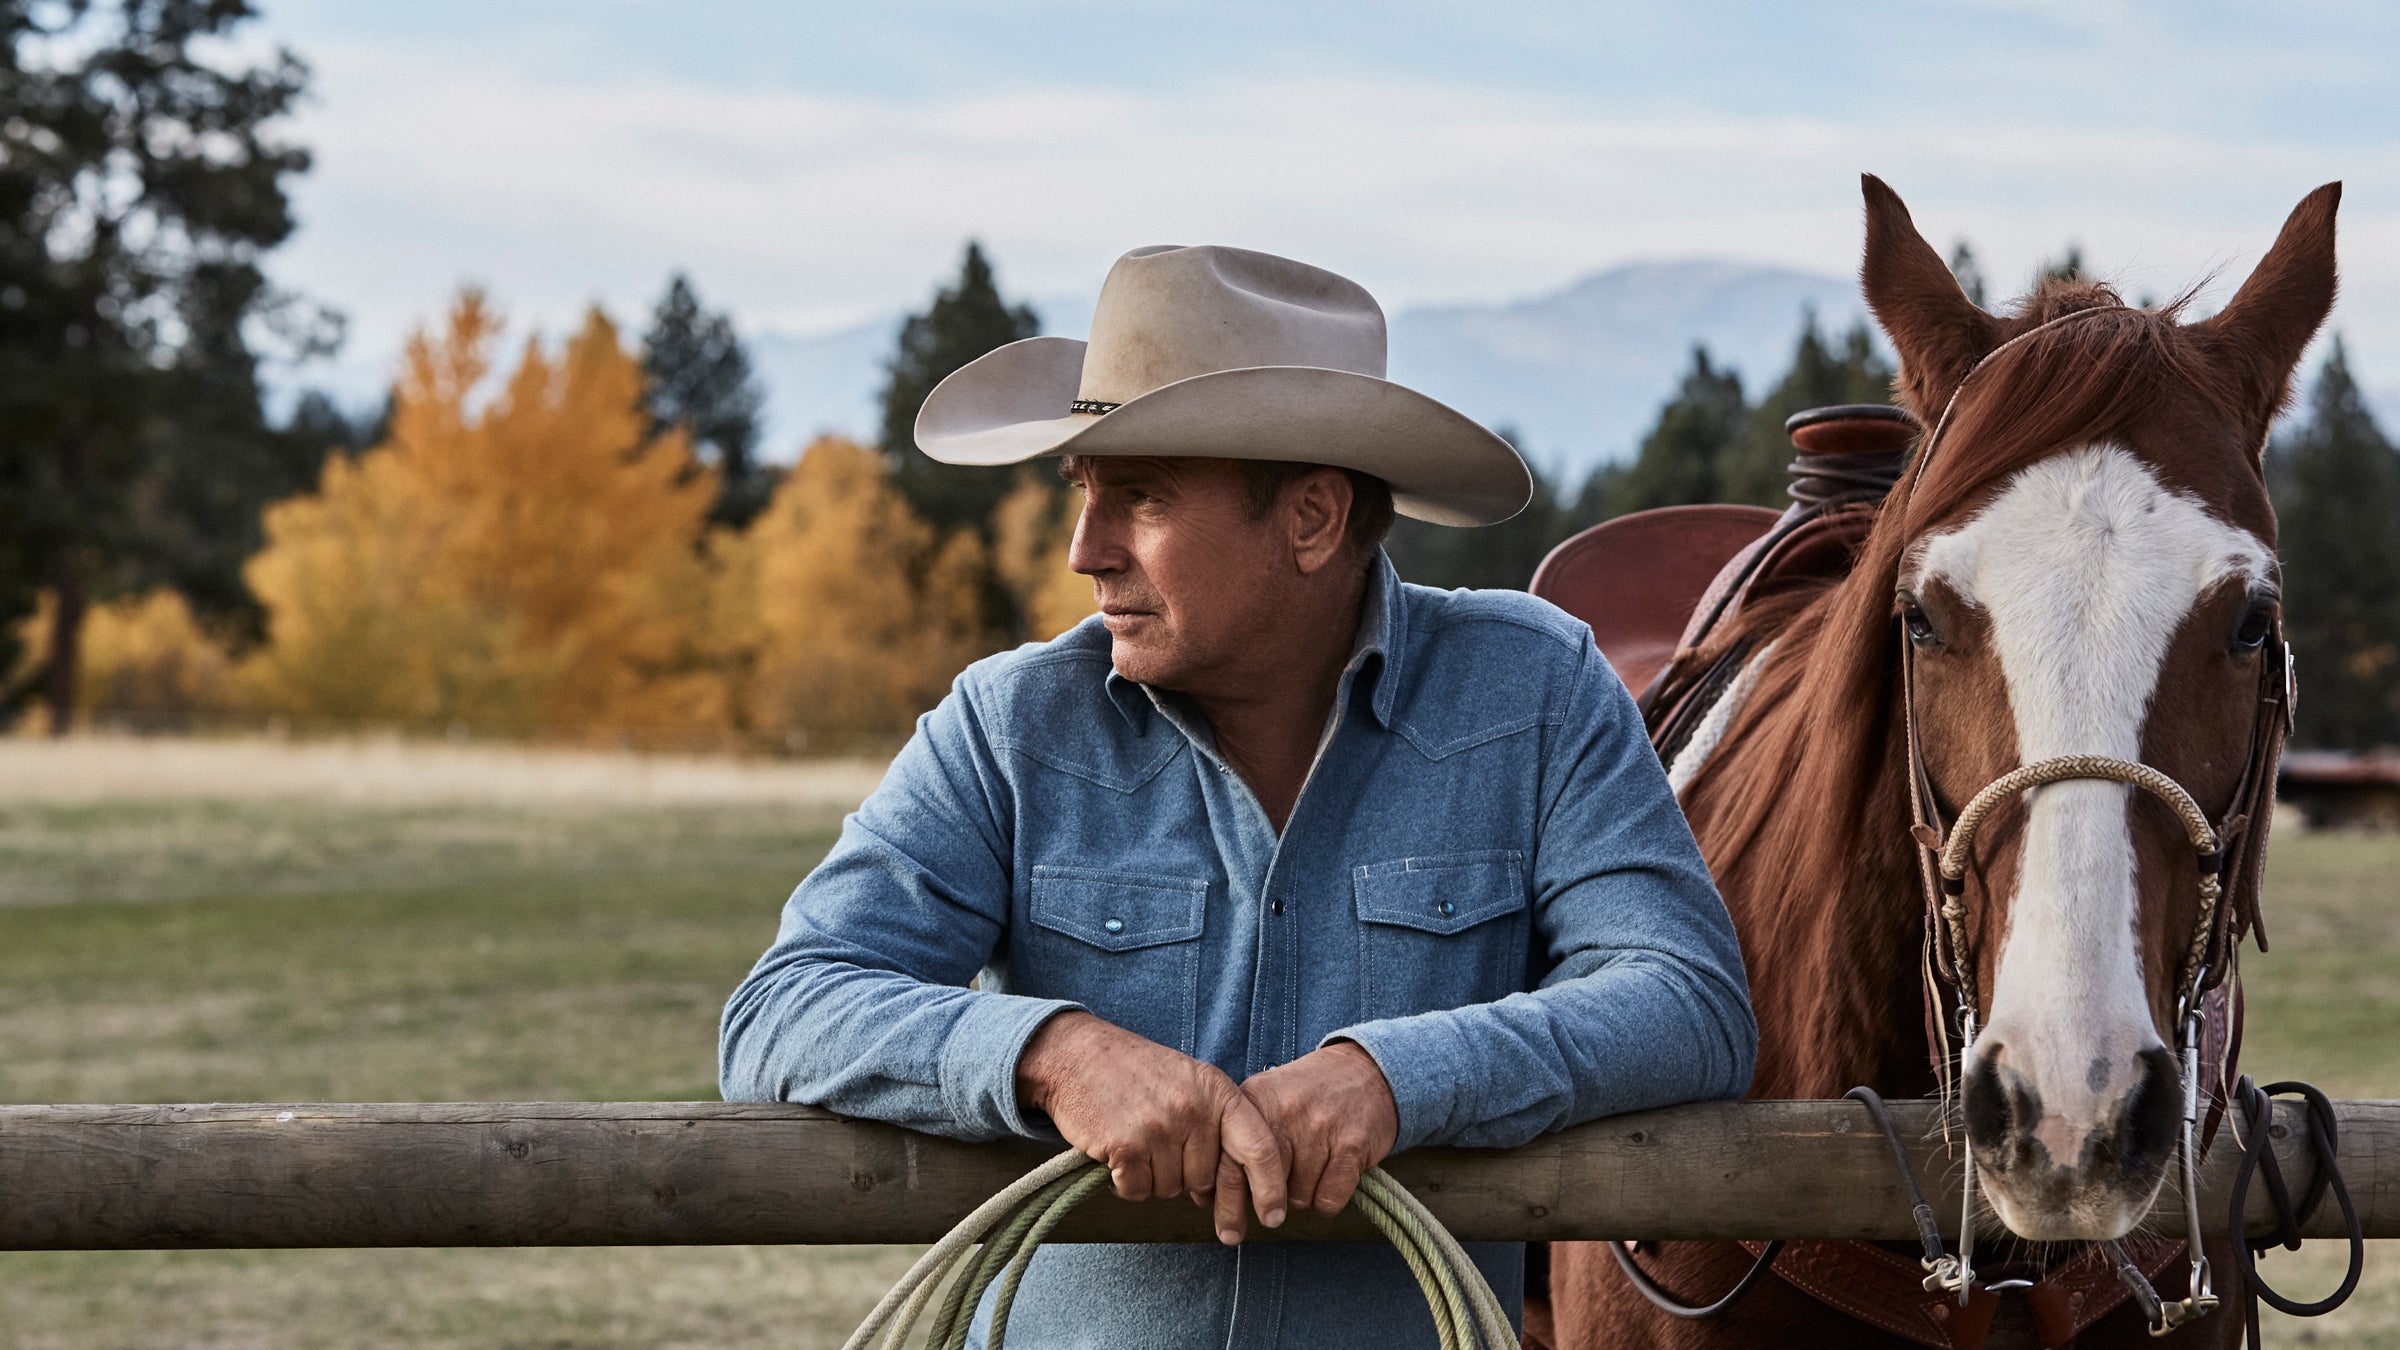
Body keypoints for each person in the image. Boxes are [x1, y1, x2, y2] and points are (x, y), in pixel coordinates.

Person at [720, 243, 1756, 1348]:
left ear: (1311, 520)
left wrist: (1394, 1078)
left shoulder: (1535, 693)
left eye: (1142, 499)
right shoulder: (1012, 725)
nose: (1085, 551)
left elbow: (1685, 999)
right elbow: (784, 1009)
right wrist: (1059, 1055)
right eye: (1085, 494)